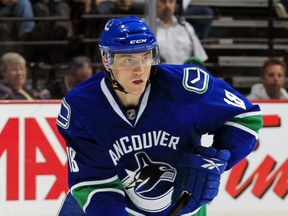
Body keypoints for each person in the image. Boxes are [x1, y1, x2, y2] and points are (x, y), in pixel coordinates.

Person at [56, 16, 263, 216]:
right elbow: (96, 184)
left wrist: (214, 161)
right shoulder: (82, 107)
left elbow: (246, 116)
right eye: (128, 59)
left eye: (145, 57)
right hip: (109, 207)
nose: (139, 69)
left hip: (182, 204)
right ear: (106, 60)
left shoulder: (185, 89)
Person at [156, 0, 208, 64]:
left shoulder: (187, 28)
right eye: (163, 1)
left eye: (171, 1)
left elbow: (199, 58)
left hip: (183, 73)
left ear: (175, 3)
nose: (167, 5)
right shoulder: (144, 28)